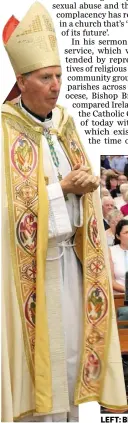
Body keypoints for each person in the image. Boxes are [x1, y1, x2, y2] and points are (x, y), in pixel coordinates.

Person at [2, 2, 127, 422]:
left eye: (59, 76)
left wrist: (87, 192)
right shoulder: (4, 131)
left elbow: (81, 191)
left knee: (71, 365)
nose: (56, 86)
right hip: (28, 277)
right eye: (45, 77)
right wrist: (62, 191)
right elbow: (7, 209)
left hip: (70, 269)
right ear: (21, 81)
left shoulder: (65, 126)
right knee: (42, 375)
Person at [109, 220, 128, 293]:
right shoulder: (111, 251)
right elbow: (111, 280)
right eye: (126, 232)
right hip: (119, 297)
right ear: (118, 236)